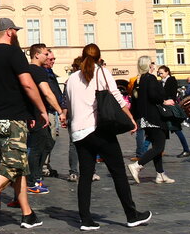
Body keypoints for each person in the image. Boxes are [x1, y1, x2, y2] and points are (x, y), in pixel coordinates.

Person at [0, 18, 49, 233]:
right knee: (12, 164)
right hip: (12, 117)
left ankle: (27, 214)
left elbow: (4, 87)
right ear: (10, 32)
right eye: (15, 30)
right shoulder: (14, 53)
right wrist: (41, 109)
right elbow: (27, 84)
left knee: (18, 163)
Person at [64, 43, 150, 231]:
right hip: (99, 130)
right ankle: (131, 215)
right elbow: (117, 97)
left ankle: (85, 220)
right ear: (99, 57)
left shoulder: (71, 79)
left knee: (85, 176)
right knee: (118, 172)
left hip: (79, 133)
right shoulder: (102, 72)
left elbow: (69, 105)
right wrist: (130, 118)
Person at [26, 44, 66, 194]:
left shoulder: (28, 70)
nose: (47, 56)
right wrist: (60, 111)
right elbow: (48, 93)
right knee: (38, 146)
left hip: (33, 113)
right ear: (36, 55)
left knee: (46, 143)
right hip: (38, 113)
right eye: (44, 53)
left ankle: (34, 177)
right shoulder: (38, 71)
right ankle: (32, 181)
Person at [129, 57, 173, 184]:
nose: (154, 66)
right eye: (152, 63)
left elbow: (135, 102)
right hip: (154, 117)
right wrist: (164, 100)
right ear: (148, 66)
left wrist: (135, 120)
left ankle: (160, 174)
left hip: (145, 118)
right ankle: (137, 165)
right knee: (159, 147)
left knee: (156, 146)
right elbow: (154, 96)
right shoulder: (150, 78)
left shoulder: (138, 80)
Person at [157, 65, 190, 157]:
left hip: (170, 108)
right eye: (159, 73)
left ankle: (186, 150)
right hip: (165, 107)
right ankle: (160, 150)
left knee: (176, 129)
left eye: (161, 73)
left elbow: (170, 94)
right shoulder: (161, 82)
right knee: (163, 129)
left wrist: (163, 99)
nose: (160, 75)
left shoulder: (171, 80)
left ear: (167, 72)